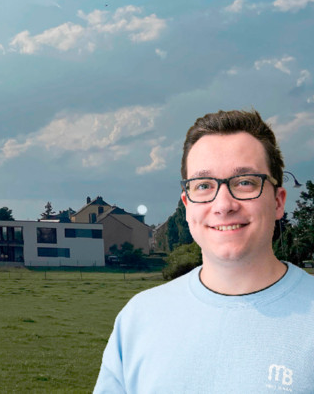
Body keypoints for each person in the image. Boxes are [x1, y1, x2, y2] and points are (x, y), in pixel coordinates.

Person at [94, 109, 314, 393]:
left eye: (245, 182)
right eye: (204, 185)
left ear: (278, 202)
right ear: (187, 207)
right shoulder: (138, 318)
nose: (223, 205)